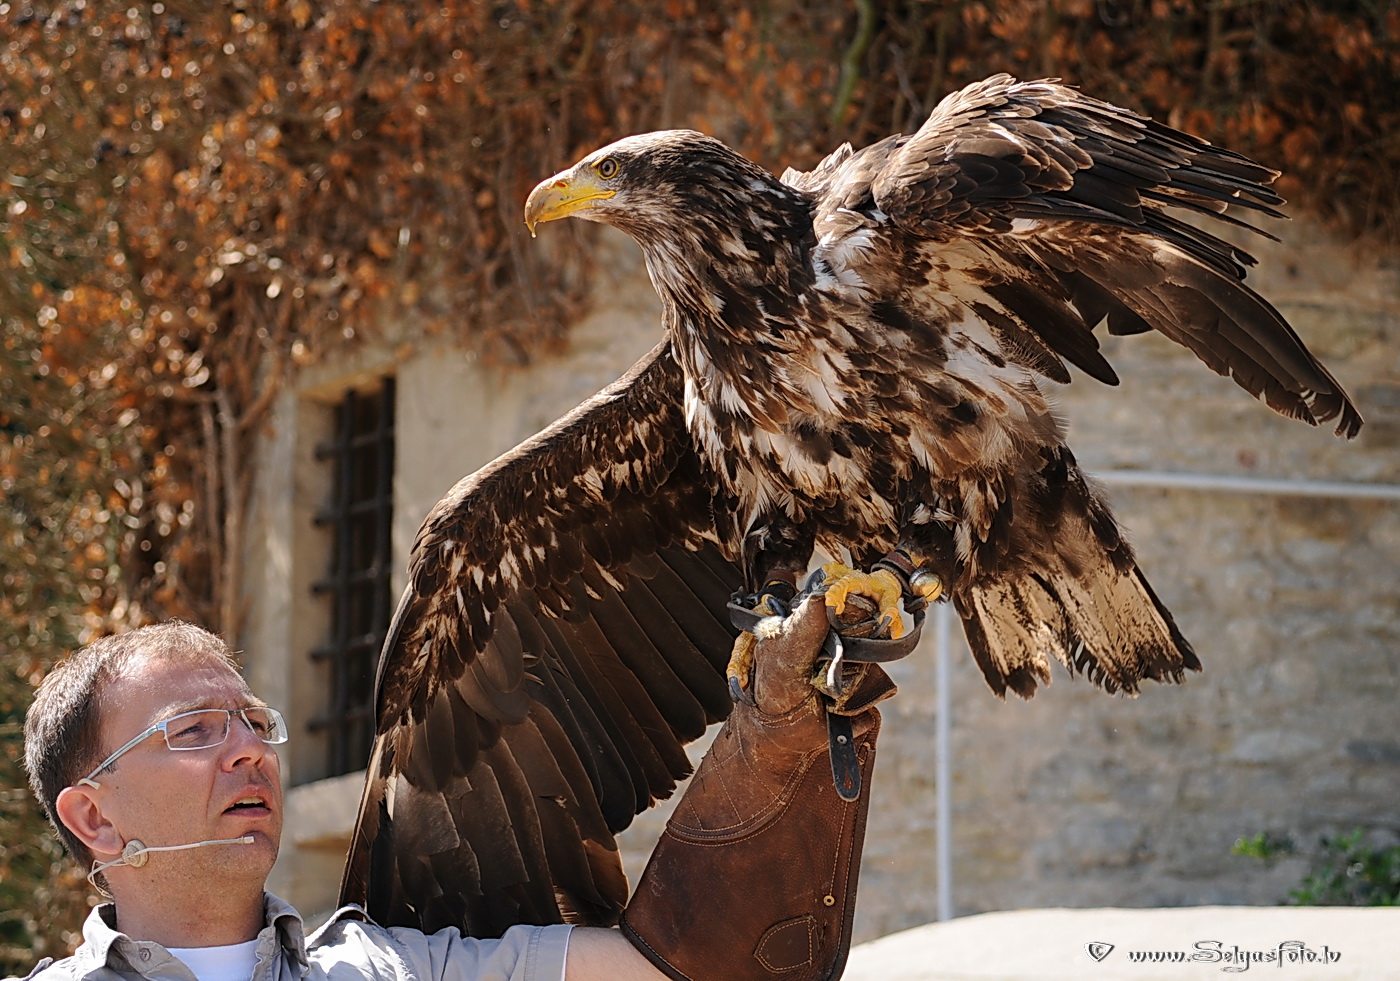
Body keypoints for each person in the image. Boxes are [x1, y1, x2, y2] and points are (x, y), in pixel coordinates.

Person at [16, 594, 896, 981]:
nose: (248, 750)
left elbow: (680, 971)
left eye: (253, 721)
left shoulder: (398, 967)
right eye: (194, 730)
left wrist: (779, 733)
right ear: (92, 815)